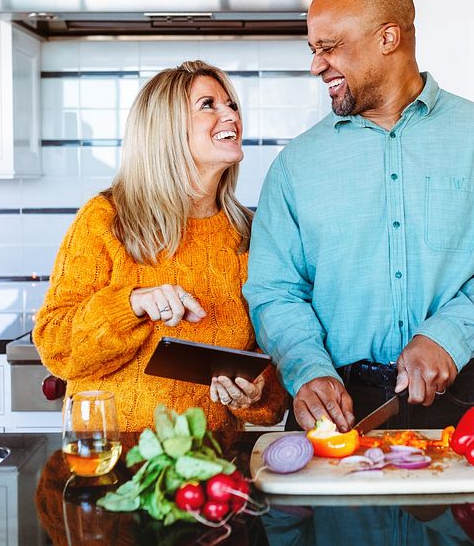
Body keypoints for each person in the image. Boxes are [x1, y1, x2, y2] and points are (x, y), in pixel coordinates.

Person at [243, 0, 474, 432]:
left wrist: (448, 334)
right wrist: (308, 368)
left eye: (329, 47)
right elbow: (274, 290)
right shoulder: (296, 164)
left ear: (388, 38)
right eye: (314, 50)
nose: (316, 65)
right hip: (335, 405)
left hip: (457, 400)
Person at [35, 60, 287, 443]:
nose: (231, 115)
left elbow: (272, 375)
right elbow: (56, 343)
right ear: (166, 128)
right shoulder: (106, 219)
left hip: (209, 468)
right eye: (209, 104)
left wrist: (257, 392)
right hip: (112, 461)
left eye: (231, 104)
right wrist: (132, 304)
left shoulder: (251, 233)